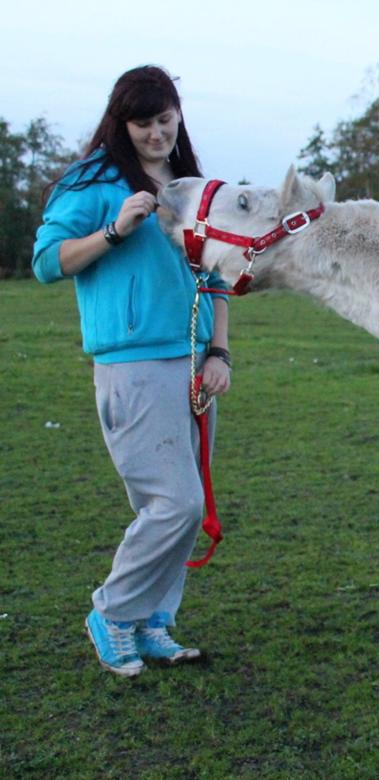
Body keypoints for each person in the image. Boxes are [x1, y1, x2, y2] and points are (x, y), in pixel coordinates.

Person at [33, 65, 232, 677]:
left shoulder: (191, 185)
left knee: (183, 506)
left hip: (194, 364)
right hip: (132, 363)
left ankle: (152, 623)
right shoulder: (90, 181)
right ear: (121, 123)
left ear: (178, 115)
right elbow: (46, 261)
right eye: (142, 123)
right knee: (173, 503)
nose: (155, 134)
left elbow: (217, 272)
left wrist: (218, 351)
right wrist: (115, 230)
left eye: (164, 120)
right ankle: (113, 613)